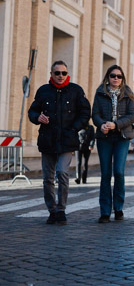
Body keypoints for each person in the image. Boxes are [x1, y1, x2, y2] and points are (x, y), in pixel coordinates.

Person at [28, 60, 91, 225]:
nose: (61, 76)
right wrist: (37, 117)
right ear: (51, 74)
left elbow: (85, 112)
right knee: (48, 178)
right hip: (47, 141)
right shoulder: (43, 91)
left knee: (62, 173)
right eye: (57, 73)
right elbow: (32, 111)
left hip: (67, 140)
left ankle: (61, 210)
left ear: (67, 74)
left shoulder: (76, 91)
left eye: (64, 73)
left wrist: (75, 128)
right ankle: (52, 210)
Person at [91, 64, 134, 223]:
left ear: (122, 78)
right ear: (108, 77)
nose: (116, 78)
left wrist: (116, 124)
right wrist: (102, 124)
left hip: (121, 137)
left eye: (119, 76)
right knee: (105, 174)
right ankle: (105, 211)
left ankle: (118, 208)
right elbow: (94, 113)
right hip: (104, 138)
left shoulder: (128, 93)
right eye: (113, 76)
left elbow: (133, 116)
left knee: (118, 171)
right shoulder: (99, 92)